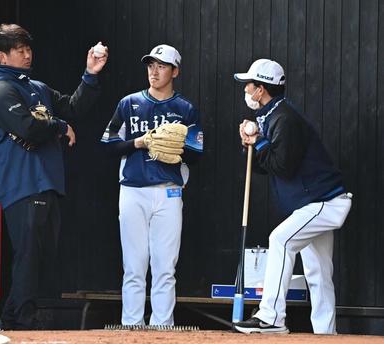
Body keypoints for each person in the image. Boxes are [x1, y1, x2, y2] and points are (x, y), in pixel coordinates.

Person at [0, 23, 108, 330]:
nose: (27, 55)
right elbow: (27, 127)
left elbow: (73, 107)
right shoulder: (2, 89)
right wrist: (58, 126)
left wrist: (90, 74)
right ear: (3, 56)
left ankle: (10, 320)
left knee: (39, 256)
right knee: (28, 255)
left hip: (47, 182)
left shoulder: (36, 87)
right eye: (19, 51)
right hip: (21, 183)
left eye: (28, 49)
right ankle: (22, 321)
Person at [232, 59, 352, 334]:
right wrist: (249, 145)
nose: (246, 89)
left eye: (249, 84)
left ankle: (271, 317)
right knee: (318, 273)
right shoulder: (272, 115)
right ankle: (326, 334)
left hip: (324, 202)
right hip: (313, 202)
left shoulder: (284, 118)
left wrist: (258, 142)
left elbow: (283, 167)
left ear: (261, 89)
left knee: (280, 240)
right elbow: (266, 165)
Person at [101, 44, 203, 326]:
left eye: (161, 66)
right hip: (133, 190)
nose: (154, 71)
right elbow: (107, 145)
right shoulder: (129, 103)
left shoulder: (185, 109)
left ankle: (162, 326)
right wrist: (139, 142)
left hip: (168, 191)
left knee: (164, 267)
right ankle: (132, 324)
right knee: (133, 266)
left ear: (175, 71)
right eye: (150, 65)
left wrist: (175, 145)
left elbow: (196, 155)